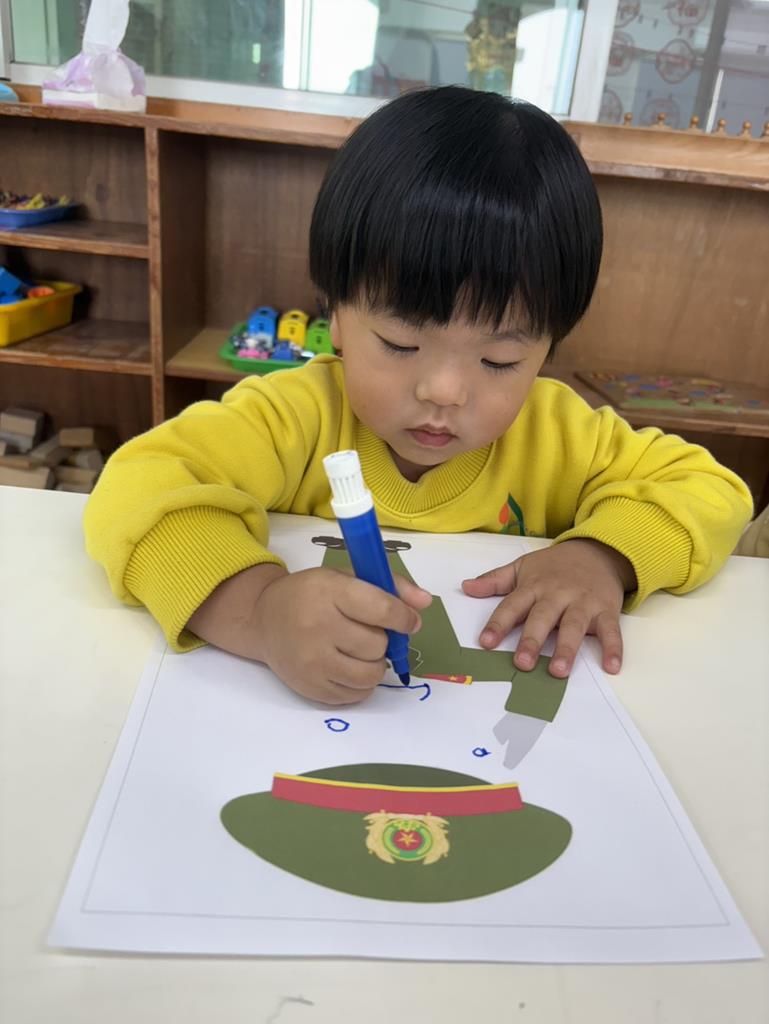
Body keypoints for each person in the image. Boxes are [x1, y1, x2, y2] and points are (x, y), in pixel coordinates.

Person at [84, 86, 752, 706]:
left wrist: (601, 556)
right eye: (401, 344)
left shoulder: (559, 433)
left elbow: (710, 490)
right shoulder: (297, 415)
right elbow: (138, 484)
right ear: (335, 316)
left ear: (547, 349)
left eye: (499, 359)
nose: (444, 391)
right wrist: (256, 611)